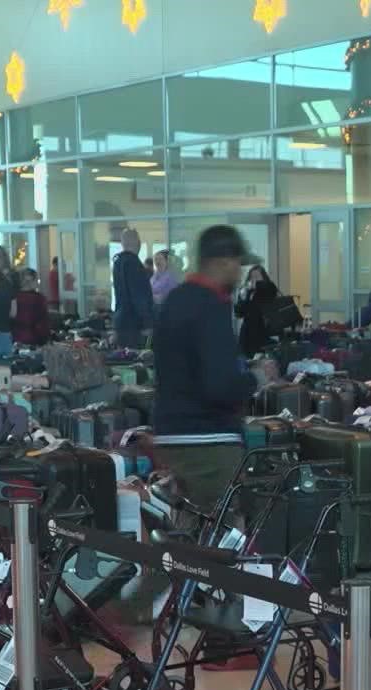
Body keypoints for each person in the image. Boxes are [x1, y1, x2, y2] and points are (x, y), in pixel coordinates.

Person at [111, 226, 260, 627]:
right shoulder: (209, 306)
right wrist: (251, 380)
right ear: (222, 262)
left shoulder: (176, 300)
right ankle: (232, 626)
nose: (238, 272)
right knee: (229, 534)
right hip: (209, 438)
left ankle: (134, 605)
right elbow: (219, 382)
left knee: (189, 534)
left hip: (173, 434)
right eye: (236, 264)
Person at [111, 227, 153, 347]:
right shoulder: (134, 264)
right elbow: (139, 297)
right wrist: (147, 323)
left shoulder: (118, 263)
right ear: (136, 242)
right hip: (134, 324)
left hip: (121, 322)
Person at [235, 265, 282, 357]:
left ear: (263, 277)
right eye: (252, 277)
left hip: (262, 333)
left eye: (257, 276)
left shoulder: (269, 288)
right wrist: (243, 298)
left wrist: (254, 289)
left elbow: (263, 302)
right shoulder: (247, 292)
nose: (254, 279)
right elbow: (239, 313)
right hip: (247, 334)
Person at [11, 269, 51, 345]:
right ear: (31, 281)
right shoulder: (38, 298)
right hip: (34, 337)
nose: (38, 283)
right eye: (37, 280)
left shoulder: (14, 297)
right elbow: (43, 321)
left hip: (16, 337)